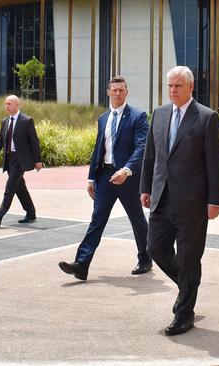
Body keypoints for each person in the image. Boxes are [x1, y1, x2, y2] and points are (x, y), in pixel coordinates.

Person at [140, 66, 219, 336]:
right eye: (170, 86)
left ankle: (183, 314)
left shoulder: (207, 118)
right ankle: (189, 286)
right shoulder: (160, 114)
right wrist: (145, 187)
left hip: (193, 203)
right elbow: (150, 155)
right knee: (155, 248)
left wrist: (215, 200)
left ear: (190, 87)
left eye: (178, 86)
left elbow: (215, 163)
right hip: (161, 198)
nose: (173, 90)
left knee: (189, 258)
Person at [58, 76, 151, 281]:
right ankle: (81, 265)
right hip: (106, 177)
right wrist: (91, 178)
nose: (118, 93)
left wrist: (127, 170)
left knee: (137, 220)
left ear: (126, 92)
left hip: (128, 178)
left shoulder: (138, 116)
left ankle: (145, 258)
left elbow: (141, 147)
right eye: (114, 90)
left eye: (121, 90)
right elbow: (99, 149)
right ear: (108, 92)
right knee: (97, 220)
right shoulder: (103, 118)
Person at [0, 95, 42, 228]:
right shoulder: (5, 121)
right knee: (19, 187)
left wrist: (38, 160)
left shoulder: (26, 121)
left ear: (17, 104)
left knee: (10, 187)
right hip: (9, 159)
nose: (7, 106)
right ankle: (31, 213)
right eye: (5, 104)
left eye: (9, 104)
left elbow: (34, 142)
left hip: (20, 160)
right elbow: (0, 141)